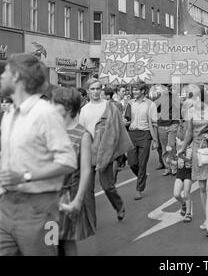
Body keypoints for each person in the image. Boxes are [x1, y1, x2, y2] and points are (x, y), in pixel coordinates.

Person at [0, 53, 77, 256]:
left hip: (41, 209)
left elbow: (68, 161)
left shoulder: (46, 113)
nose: (1, 76)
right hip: (6, 206)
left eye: (5, 72)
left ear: (16, 76)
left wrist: (26, 176)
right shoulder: (9, 115)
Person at [79, 78, 133, 221]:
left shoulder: (110, 107)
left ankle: (119, 205)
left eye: (98, 89)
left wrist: (113, 149)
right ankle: (91, 220)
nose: (96, 92)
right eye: (93, 89)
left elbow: (117, 129)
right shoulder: (84, 110)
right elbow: (81, 132)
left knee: (107, 185)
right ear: (88, 91)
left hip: (106, 151)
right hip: (88, 152)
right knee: (87, 190)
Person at [51, 87, 96, 256]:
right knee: (52, 242)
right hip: (49, 195)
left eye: (55, 104)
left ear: (68, 108)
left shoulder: (82, 135)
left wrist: (78, 200)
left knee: (67, 241)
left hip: (68, 195)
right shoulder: (51, 130)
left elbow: (86, 171)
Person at [177, 84, 208, 237]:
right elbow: (189, 132)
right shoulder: (190, 112)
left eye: (194, 96)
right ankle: (207, 219)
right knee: (203, 188)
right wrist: (183, 147)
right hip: (198, 152)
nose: (191, 99)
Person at [125, 82, 159, 200]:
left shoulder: (151, 104)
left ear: (143, 91)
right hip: (132, 134)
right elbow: (126, 119)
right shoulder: (130, 104)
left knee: (142, 162)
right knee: (132, 163)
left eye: (137, 90)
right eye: (133, 89)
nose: (134, 92)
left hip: (145, 135)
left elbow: (154, 124)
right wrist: (124, 122)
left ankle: (139, 189)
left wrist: (155, 140)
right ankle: (142, 176)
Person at [154, 85, 181, 176]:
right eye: (164, 87)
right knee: (164, 147)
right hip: (161, 125)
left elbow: (179, 108)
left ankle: (173, 166)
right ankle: (167, 167)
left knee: (171, 145)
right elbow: (155, 109)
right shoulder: (158, 98)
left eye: (168, 87)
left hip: (173, 124)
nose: (166, 89)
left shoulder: (175, 97)